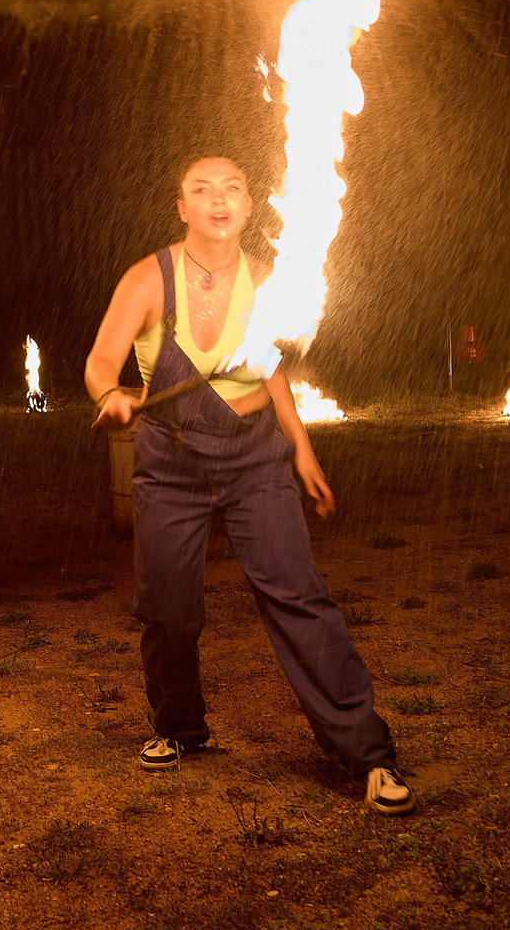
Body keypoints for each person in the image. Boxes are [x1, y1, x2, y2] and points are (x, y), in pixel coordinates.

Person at [82, 157, 411, 813]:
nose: (218, 199)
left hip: (254, 457)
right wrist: (110, 394)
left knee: (299, 595)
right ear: (181, 206)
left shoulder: (266, 277)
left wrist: (302, 447)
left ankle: (368, 753)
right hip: (170, 460)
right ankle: (177, 727)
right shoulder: (150, 278)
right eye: (201, 189)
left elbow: (269, 370)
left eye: (232, 187)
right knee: (168, 608)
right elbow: (99, 360)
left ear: (250, 206)